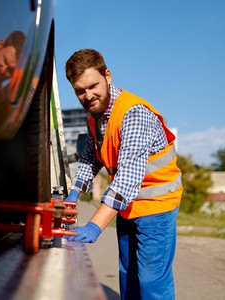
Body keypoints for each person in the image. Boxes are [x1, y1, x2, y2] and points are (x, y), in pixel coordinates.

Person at [63, 49, 183, 300]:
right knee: (128, 274)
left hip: (156, 205)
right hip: (127, 206)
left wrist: (95, 225)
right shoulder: (95, 115)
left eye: (93, 86)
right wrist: (74, 192)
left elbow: (127, 179)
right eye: (80, 91)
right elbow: (91, 156)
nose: (88, 95)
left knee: (151, 282)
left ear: (107, 75)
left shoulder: (134, 113)